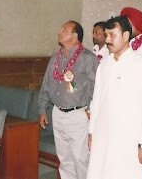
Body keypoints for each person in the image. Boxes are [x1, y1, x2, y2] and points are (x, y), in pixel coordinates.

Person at [87, 16, 142, 179]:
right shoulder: (104, 64)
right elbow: (96, 100)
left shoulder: (141, 65)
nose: (108, 39)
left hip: (129, 137)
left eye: (112, 35)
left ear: (126, 36)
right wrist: (92, 131)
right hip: (103, 135)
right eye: (106, 35)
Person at [38, 20, 100, 179]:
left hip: (78, 115)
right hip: (57, 113)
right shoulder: (55, 58)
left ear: (75, 35)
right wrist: (42, 109)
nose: (60, 31)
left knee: (80, 159)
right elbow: (46, 84)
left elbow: (98, 86)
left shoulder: (88, 58)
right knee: (64, 159)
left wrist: (89, 110)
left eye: (64, 30)